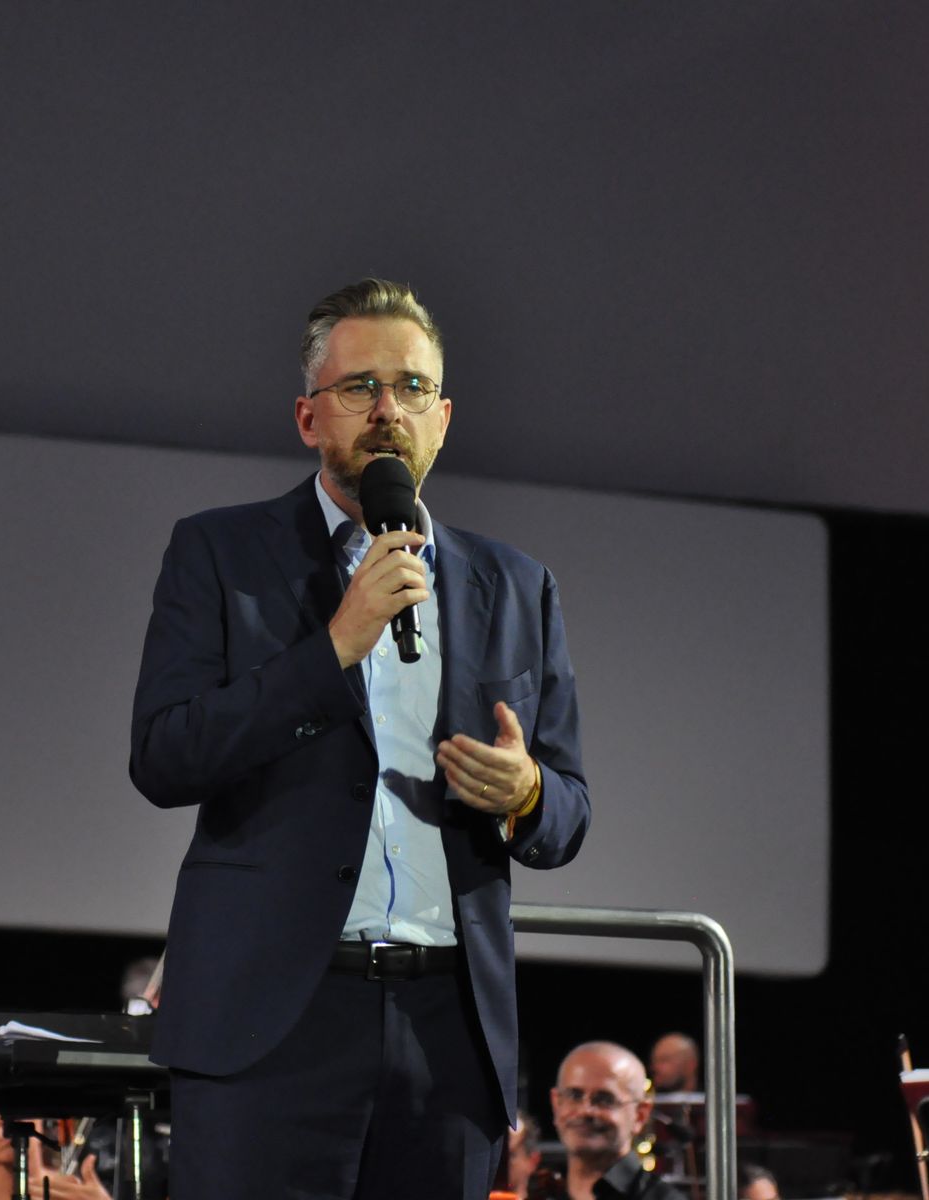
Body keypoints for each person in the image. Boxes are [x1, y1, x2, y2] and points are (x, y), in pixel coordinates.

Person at [130, 277, 592, 1198]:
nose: (389, 410)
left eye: (412, 388)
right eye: (360, 388)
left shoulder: (514, 586)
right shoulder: (221, 554)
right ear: (309, 417)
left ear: (442, 419)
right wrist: (333, 647)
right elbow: (165, 756)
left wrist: (526, 793)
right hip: (270, 1023)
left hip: (446, 1034)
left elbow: (569, 812)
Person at [549, 1042, 685, 1200]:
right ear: (556, 1104)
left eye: (604, 1099)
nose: (585, 1110)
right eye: (574, 1095)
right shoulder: (538, 1192)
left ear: (640, 1115)